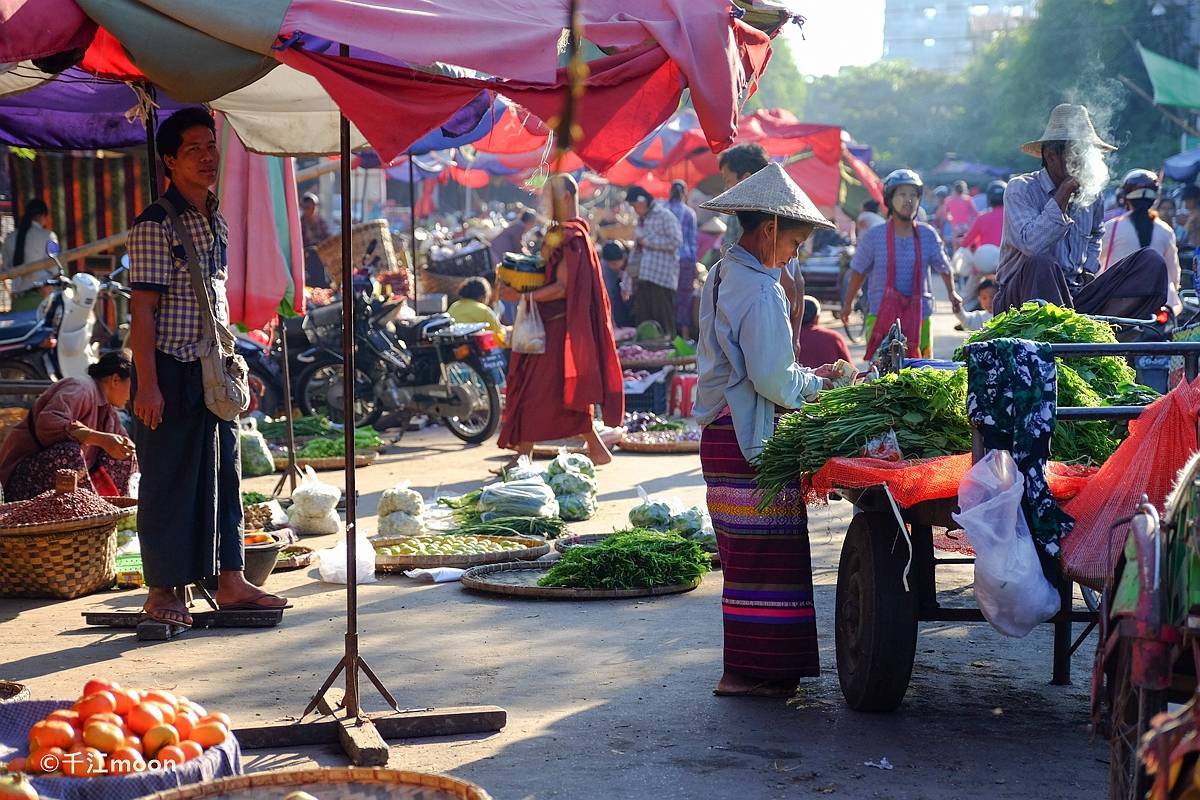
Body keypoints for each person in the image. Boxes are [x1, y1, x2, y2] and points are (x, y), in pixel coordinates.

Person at [128, 107, 286, 628]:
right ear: (169, 161)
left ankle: (231, 580)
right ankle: (162, 590)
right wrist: (146, 387)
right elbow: (143, 311)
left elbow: (214, 304)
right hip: (169, 373)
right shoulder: (155, 223)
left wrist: (237, 364)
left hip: (213, 371)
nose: (206, 156)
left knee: (224, 477)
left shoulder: (214, 218)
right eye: (193, 148)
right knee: (168, 482)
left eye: (210, 146)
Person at [693, 163, 839, 698]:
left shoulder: (723, 272)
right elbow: (773, 377)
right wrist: (819, 387)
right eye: (796, 242)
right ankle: (753, 673)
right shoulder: (758, 289)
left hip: (722, 432)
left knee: (745, 559)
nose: (795, 254)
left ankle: (748, 670)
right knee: (765, 557)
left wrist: (802, 375)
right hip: (746, 437)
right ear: (771, 230)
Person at [991, 104, 1169, 320]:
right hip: (1021, 300)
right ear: (1051, 155)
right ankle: (1060, 335)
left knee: (1150, 262)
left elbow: (1096, 234)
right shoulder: (1021, 188)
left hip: (1073, 297)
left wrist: (1089, 270)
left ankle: (1098, 333)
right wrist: (1064, 191)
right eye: (1076, 152)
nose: (1084, 161)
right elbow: (1032, 245)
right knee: (1041, 263)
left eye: (1087, 153)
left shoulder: (1092, 193)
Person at [496, 174, 623, 466]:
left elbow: (562, 288)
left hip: (556, 328)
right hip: (553, 325)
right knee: (549, 390)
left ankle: (525, 456)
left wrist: (523, 297)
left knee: (536, 389)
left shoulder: (570, 238)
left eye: (548, 196)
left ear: (565, 197)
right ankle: (590, 450)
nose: (543, 203)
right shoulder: (571, 234)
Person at [842, 169, 961, 359]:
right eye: (902, 194)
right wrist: (848, 304)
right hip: (880, 313)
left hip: (920, 315)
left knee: (921, 375)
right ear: (889, 199)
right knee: (881, 376)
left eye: (913, 195)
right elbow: (858, 271)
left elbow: (944, 268)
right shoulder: (875, 236)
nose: (909, 200)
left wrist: (952, 293)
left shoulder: (928, 234)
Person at [0, 351, 137, 500]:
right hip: (22, 477)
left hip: (65, 481)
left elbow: (122, 443)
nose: (133, 394)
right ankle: (87, 509)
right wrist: (100, 439)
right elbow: (47, 424)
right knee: (69, 452)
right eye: (132, 385)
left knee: (126, 455)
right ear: (115, 379)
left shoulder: (108, 411)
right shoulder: (81, 388)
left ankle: (111, 509)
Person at [717, 142, 805, 337]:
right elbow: (798, 284)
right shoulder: (782, 215)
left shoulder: (756, 225)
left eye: (727, 180)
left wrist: (789, 338)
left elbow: (790, 285)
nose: (726, 187)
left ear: (746, 179)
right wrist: (794, 337)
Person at [1100, 170, 1182, 316]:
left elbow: (1096, 266)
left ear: (1125, 197)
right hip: (1160, 304)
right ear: (1155, 199)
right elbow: (1173, 275)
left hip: (1117, 301)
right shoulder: (1166, 231)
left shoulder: (1112, 227)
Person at [626, 186, 682, 338]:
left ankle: (668, 356)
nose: (634, 209)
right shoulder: (641, 220)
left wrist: (648, 242)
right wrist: (627, 281)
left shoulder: (665, 216)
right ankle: (648, 356)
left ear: (642, 202)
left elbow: (676, 242)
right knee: (645, 321)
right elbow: (636, 251)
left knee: (663, 321)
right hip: (643, 276)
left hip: (661, 277)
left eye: (633, 205)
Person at [1, 198, 59, 312]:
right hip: (41, 300)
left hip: (17, 301)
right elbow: (55, 269)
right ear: (43, 216)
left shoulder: (9, 238)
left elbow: (6, 268)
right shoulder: (49, 236)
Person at [666, 180, 698, 339]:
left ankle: (670, 335)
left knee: (669, 297)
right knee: (685, 298)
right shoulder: (689, 213)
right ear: (684, 193)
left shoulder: (664, 210)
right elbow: (692, 242)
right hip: (686, 261)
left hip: (667, 262)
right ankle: (684, 336)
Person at [796, 296, 852, 369]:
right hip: (830, 380)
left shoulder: (787, 339)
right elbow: (850, 373)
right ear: (817, 317)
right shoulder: (833, 337)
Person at [449, 277, 507, 345]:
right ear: (482, 297)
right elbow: (500, 335)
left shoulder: (454, 306)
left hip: (453, 346)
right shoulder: (484, 310)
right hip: (474, 349)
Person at [960, 180, 1006, 251]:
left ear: (989, 198)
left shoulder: (982, 217)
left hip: (987, 259)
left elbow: (965, 243)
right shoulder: (1014, 217)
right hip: (1010, 259)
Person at [299, 193, 332, 290]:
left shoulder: (320, 222)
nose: (311, 210)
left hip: (322, 253)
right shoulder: (300, 223)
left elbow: (328, 237)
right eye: (308, 207)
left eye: (313, 206)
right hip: (307, 255)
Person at [599, 240, 634, 328]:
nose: (613, 267)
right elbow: (609, 292)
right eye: (610, 264)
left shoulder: (632, 258)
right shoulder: (605, 266)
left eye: (615, 264)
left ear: (624, 257)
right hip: (618, 288)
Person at [943, 180, 978, 246]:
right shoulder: (968, 199)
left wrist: (951, 219)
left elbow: (945, 213)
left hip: (956, 227)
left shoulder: (949, 200)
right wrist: (970, 221)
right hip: (966, 227)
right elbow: (975, 214)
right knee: (967, 247)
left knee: (956, 248)